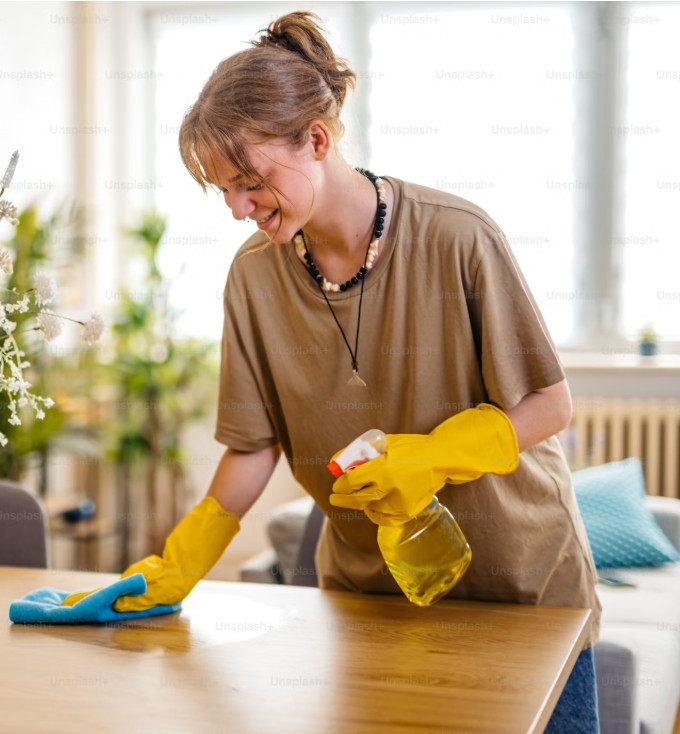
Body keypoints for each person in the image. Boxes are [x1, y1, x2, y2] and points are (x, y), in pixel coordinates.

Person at [52, 11, 601, 732]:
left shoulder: (457, 236)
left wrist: (436, 457)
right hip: (368, 602)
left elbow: (549, 403)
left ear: (317, 139)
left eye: (250, 180)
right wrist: (183, 560)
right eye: (223, 190)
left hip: (521, 596)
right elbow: (253, 443)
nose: (239, 208)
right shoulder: (253, 276)